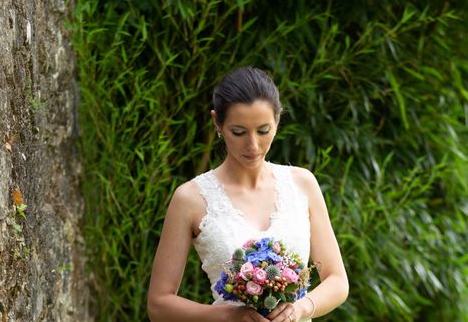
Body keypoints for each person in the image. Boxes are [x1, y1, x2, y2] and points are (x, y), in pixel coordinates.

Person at [147, 67, 349, 321]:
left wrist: (301, 308)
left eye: (263, 131)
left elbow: (337, 280)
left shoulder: (302, 183)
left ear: (278, 121)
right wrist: (227, 317)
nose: (252, 145)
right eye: (239, 132)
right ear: (217, 123)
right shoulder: (190, 198)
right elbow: (158, 305)